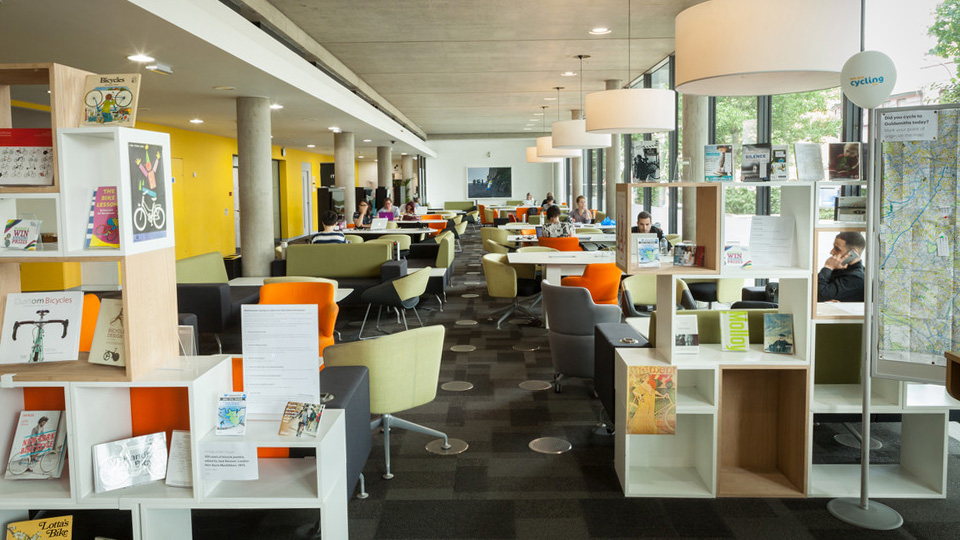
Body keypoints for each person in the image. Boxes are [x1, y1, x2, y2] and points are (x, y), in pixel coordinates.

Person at [818, 231, 865, 302]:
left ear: (853, 252)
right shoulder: (840, 267)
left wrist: (828, 267)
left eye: (837, 249)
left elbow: (818, 295)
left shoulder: (856, 277)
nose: (831, 252)